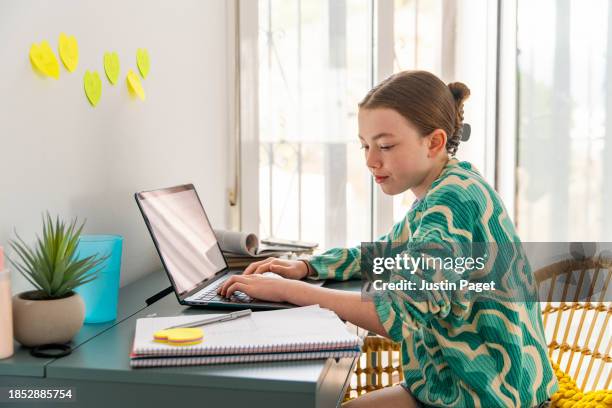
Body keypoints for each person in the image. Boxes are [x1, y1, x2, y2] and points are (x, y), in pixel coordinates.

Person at [218, 70, 558, 408]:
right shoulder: (446, 187)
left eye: (385, 146)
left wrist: (289, 291)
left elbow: (397, 314)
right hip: (451, 386)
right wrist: (306, 266)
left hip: (488, 398)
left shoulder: (454, 201)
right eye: (365, 145)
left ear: (434, 142)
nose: (370, 160)